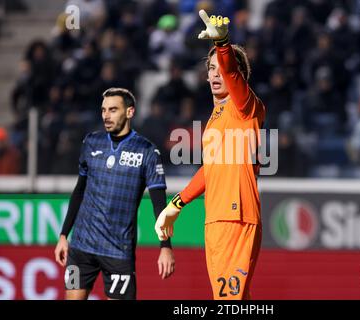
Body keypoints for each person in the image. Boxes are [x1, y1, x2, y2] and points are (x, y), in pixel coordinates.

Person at [155, 10, 266, 300]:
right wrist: (177, 203)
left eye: (222, 69)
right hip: (215, 217)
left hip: (236, 215)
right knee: (234, 300)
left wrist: (223, 44)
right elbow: (211, 168)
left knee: (229, 302)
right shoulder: (216, 117)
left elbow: (232, 72)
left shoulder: (245, 107)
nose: (217, 74)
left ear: (238, 77)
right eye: (211, 69)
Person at [54, 88, 175, 300]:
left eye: (113, 110)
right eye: (103, 110)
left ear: (129, 112)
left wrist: (165, 246)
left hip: (118, 251)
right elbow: (79, 190)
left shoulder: (147, 151)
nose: (106, 116)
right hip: (81, 248)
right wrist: (64, 234)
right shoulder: (91, 142)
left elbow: (159, 205)